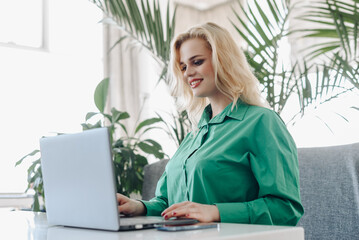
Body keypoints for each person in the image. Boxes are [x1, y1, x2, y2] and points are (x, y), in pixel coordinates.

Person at [116, 22, 304, 226]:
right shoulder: (194, 135)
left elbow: (286, 209)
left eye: (197, 62)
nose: (187, 73)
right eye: (183, 67)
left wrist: (216, 212)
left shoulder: (262, 122)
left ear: (223, 60)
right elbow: (168, 202)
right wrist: (139, 207)